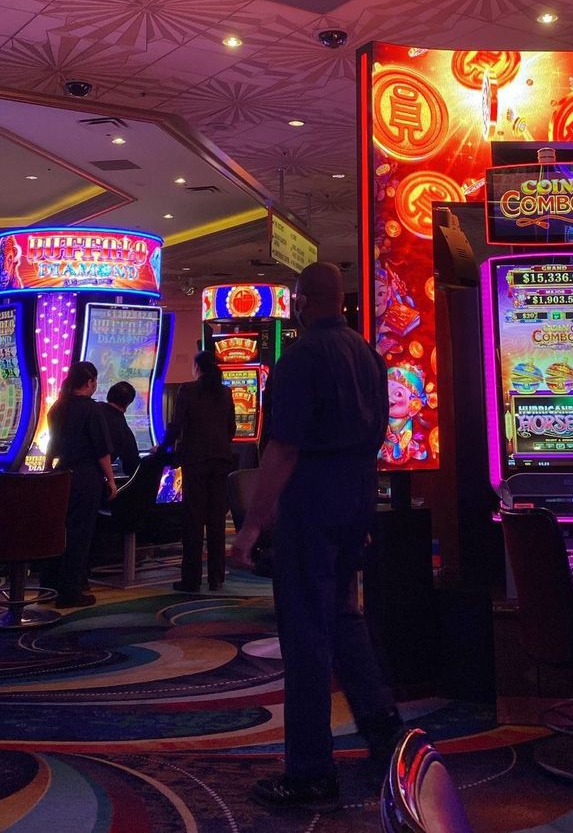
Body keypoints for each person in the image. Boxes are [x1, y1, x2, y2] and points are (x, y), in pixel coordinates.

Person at [231, 261, 402, 814]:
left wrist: (253, 524)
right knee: (345, 618)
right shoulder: (368, 355)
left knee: (305, 634)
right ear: (342, 301)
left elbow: (282, 449)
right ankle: (385, 737)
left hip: (312, 501)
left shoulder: (299, 358)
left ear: (302, 301)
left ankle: (309, 772)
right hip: (358, 496)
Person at [43, 360, 117, 608]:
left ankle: (50, 584)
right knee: (79, 535)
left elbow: (51, 447)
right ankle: (70, 591)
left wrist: (47, 471)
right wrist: (111, 480)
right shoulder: (92, 410)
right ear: (90, 382)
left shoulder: (58, 407)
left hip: (60, 474)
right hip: (85, 477)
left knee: (59, 532)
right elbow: (101, 451)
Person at [166, 350, 236, 593]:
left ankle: (191, 579)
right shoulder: (225, 392)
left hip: (195, 460)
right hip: (221, 460)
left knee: (193, 521)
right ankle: (216, 578)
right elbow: (232, 428)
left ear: (197, 367)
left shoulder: (188, 389)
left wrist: (163, 446)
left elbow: (176, 425)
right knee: (216, 520)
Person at [100, 381, 140, 478]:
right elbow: (131, 466)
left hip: (66, 473)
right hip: (93, 479)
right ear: (128, 403)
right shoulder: (123, 429)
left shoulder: (92, 409)